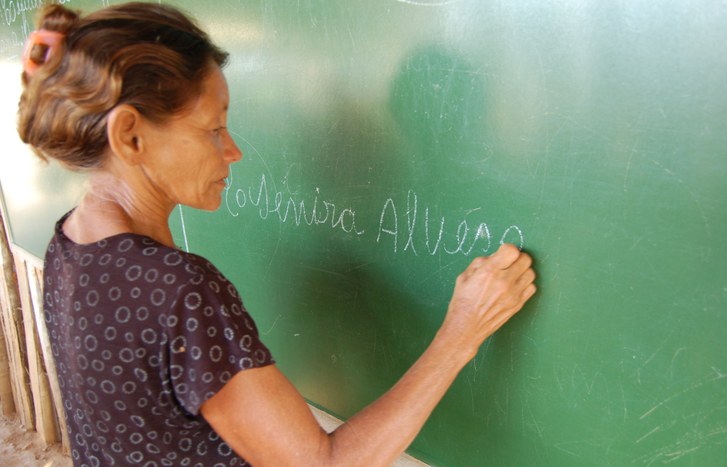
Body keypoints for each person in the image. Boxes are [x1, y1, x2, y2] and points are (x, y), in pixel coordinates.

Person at [17, 2, 537, 466]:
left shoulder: (69, 242)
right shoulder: (179, 290)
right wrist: (460, 334)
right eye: (213, 129)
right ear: (130, 135)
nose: (233, 150)